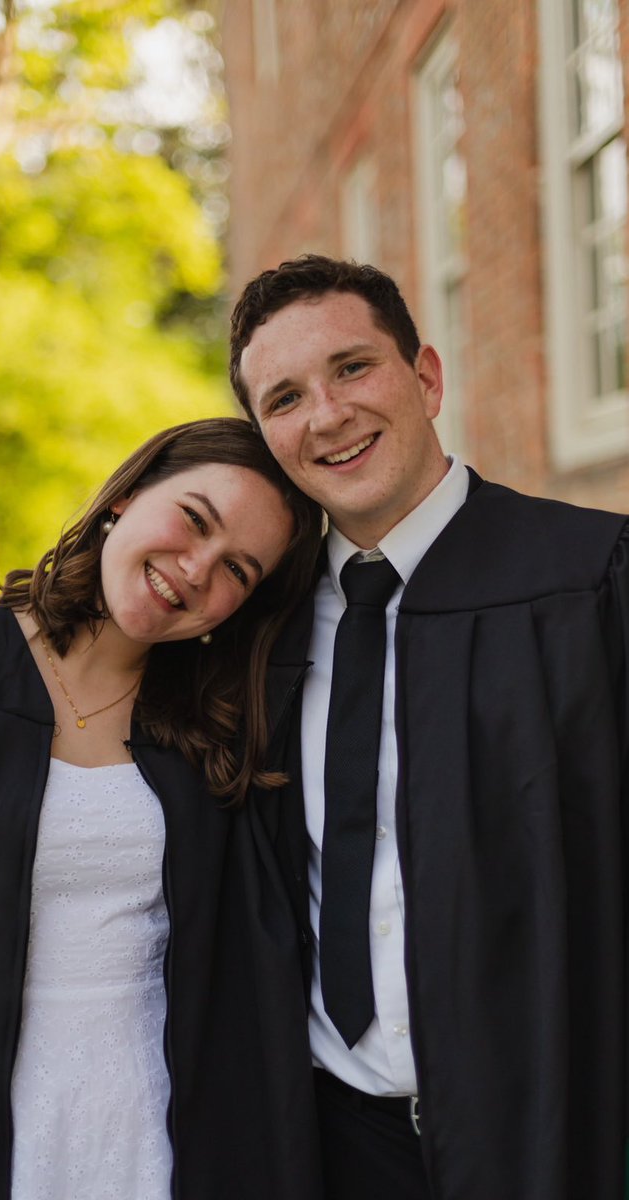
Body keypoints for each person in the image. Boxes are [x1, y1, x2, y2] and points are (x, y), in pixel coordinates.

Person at [0, 417, 326, 1200]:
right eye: (194, 519)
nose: (195, 570)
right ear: (125, 496)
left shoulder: (211, 742)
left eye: (237, 568)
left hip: (145, 1135)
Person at [229, 255, 629, 1200]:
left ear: (427, 377)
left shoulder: (590, 580)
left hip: (553, 1133)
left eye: (352, 368)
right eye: (283, 398)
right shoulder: (252, 634)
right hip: (333, 1145)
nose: (325, 415)